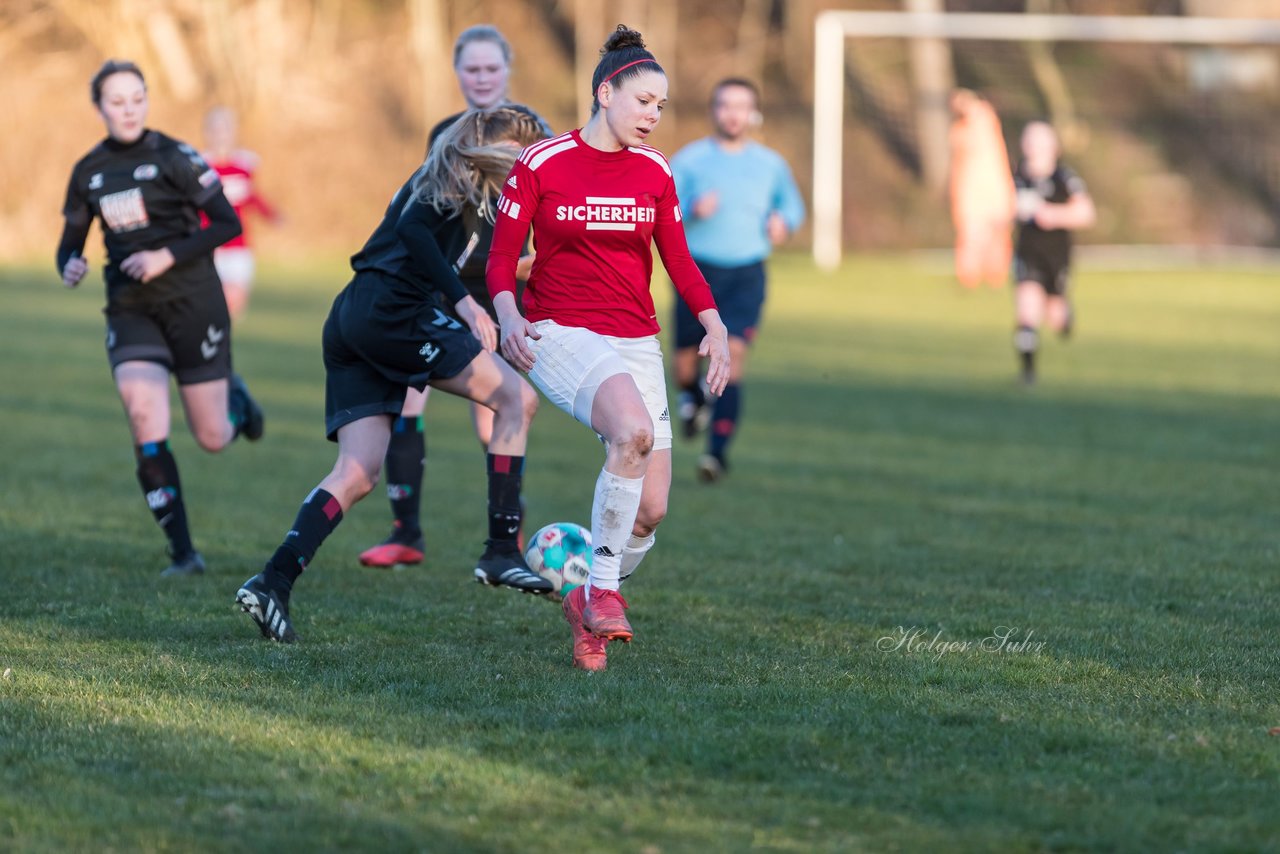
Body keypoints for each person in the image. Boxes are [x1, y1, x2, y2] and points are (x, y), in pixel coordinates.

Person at [235, 106, 554, 643]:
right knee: (515, 400)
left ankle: (273, 581)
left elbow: (433, 248)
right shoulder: (454, 176)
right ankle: (501, 549)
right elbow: (414, 234)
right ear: (495, 153)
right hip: (394, 313)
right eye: (528, 158)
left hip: (355, 314)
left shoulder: (456, 187)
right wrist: (467, 305)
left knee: (358, 473)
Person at [488, 26, 730, 671]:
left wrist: (713, 323)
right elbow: (500, 260)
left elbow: (677, 259)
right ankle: (602, 593)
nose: (653, 115)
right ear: (606, 93)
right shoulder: (541, 163)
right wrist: (508, 315)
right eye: (644, 101)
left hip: (636, 340)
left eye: (661, 106)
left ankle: (583, 598)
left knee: (650, 510)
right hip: (559, 333)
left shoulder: (655, 171)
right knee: (631, 433)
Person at [57, 60, 265, 578]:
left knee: (212, 437)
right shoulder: (88, 171)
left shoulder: (174, 156)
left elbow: (226, 222)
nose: (128, 110)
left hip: (194, 301)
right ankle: (182, 553)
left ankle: (236, 403)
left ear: (147, 101)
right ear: (100, 107)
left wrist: (165, 257)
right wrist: (70, 264)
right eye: (116, 101)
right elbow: (69, 243)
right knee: (143, 414)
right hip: (131, 309)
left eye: (136, 99)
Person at [359, 24, 549, 569]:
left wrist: (529, 271)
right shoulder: (447, 133)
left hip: (495, 287)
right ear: (458, 73)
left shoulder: (529, 131)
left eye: (492, 68)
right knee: (407, 399)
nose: (482, 77)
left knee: (496, 411)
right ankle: (406, 533)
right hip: (440, 285)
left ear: (507, 70)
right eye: (472, 68)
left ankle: (506, 535)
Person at [669, 78, 805, 483]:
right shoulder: (689, 160)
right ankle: (692, 400)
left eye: (741, 106)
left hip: (747, 272)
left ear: (754, 113)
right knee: (684, 364)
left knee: (734, 354)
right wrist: (692, 207)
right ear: (713, 110)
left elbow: (792, 207)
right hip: (696, 273)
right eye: (725, 105)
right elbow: (661, 205)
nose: (732, 113)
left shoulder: (771, 164)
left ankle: (716, 455)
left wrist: (784, 222)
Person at [1011, 120, 1096, 385]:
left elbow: (1086, 214)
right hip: (1027, 254)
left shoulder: (1064, 178)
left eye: (1041, 142)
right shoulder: (1015, 178)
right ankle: (1028, 375)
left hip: (1057, 256)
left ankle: (1065, 316)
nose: (1035, 147)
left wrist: (1053, 215)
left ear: (1053, 147)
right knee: (1027, 310)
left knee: (1056, 318)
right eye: (1031, 141)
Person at [201, 106, 281, 323]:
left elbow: (252, 197)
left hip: (239, 244)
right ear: (207, 133)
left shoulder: (244, 165)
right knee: (216, 301)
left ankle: (224, 341)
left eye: (225, 129)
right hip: (212, 245)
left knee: (237, 302)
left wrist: (272, 215)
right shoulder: (202, 167)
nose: (221, 135)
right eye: (216, 130)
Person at [948, 89, 1016, 289]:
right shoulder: (958, 131)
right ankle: (968, 277)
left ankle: (997, 275)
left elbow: (977, 111)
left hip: (995, 188)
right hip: (970, 190)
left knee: (999, 234)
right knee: (971, 235)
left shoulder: (985, 119)